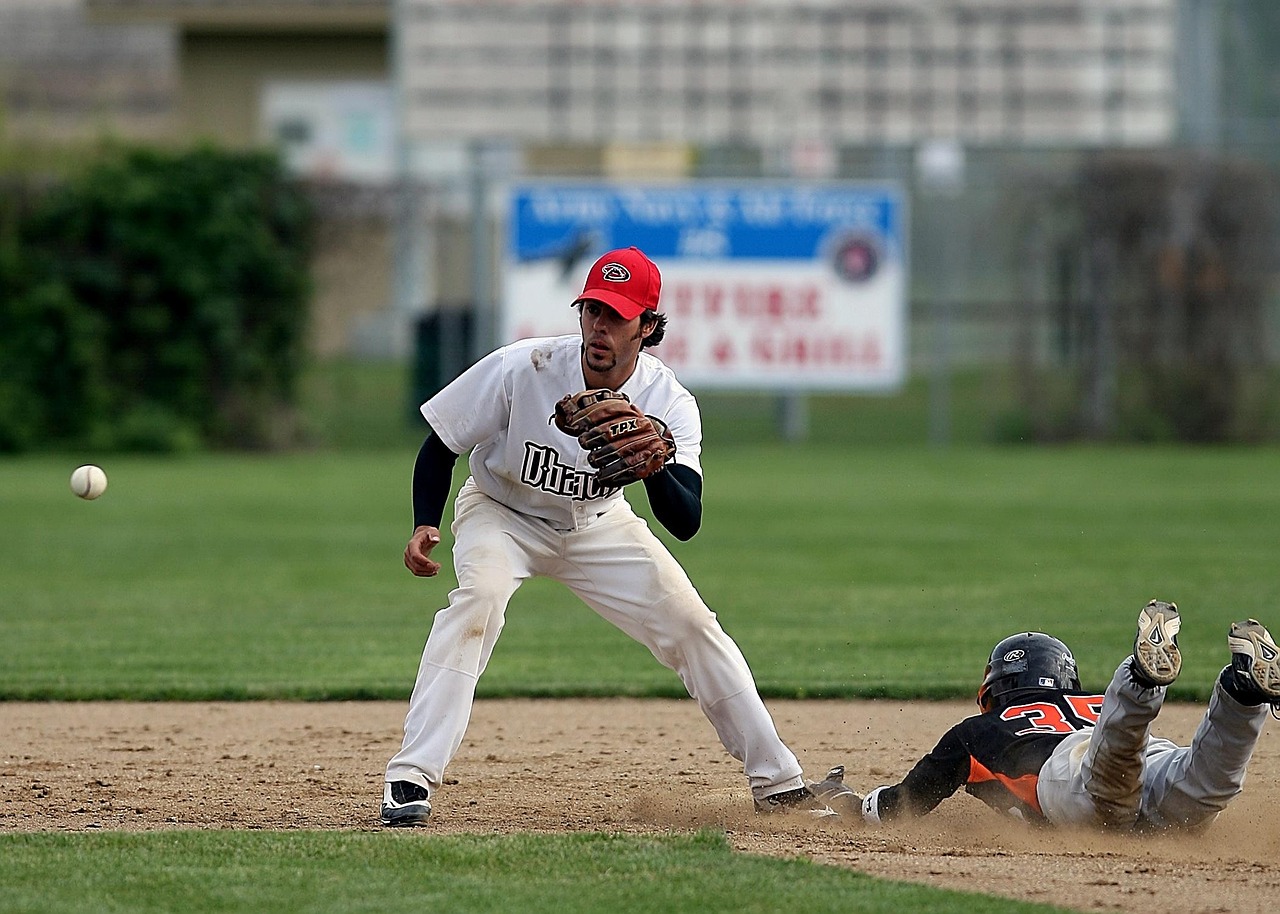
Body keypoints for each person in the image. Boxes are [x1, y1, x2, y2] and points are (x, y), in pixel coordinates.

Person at [381, 246, 834, 826]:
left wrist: (654, 467)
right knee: (478, 602)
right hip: (501, 512)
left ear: (647, 326)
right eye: (592, 309)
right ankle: (410, 777)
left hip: (598, 523)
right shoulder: (527, 367)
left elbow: (686, 521)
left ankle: (778, 782)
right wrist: (424, 522)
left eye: (616, 316)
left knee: (693, 625)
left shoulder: (668, 402)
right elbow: (441, 444)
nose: (599, 326)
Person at [811, 600, 1280, 831]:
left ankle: (1140, 679)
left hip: (1068, 771)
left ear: (995, 687)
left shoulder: (979, 730)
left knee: (1109, 788)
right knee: (1202, 789)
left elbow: (906, 803)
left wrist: (853, 802)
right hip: (1146, 752)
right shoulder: (1089, 701)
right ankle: (1241, 691)